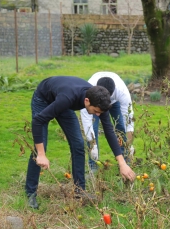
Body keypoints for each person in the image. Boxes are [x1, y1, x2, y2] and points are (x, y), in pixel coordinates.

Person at [26, 76, 136, 209]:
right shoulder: (68, 98)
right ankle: (30, 194)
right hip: (43, 98)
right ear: (87, 101)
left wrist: (122, 163)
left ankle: (79, 193)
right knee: (40, 147)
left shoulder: (100, 103)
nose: (97, 115)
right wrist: (41, 154)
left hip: (62, 100)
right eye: (95, 111)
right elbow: (38, 121)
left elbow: (109, 132)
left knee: (78, 144)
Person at [80, 72, 134, 172]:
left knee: (121, 127)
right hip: (95, 103)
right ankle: (93, 166)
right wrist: (92, 145)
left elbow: (128, 119)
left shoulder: (121, 92)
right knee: (93, 130)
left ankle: (125, 163)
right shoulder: (89, 91)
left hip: (115, 102)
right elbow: (87, 122)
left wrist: (129, 144)